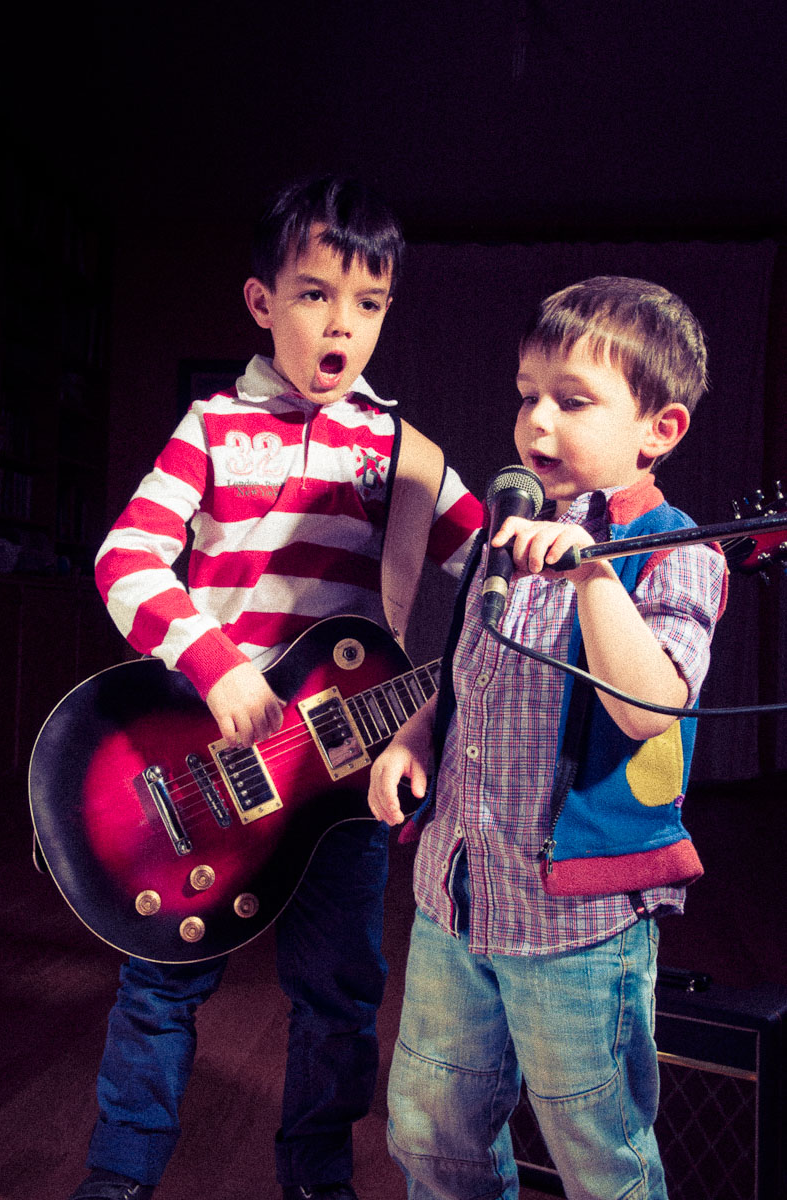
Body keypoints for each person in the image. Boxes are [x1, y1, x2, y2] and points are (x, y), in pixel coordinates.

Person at [68, 176, 483, 1200]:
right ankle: (118, 1180)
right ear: (261, 301)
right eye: (314, 294)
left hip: (338, 782)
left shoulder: (402, 454)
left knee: (338, 998)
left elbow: (489, 571)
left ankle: (315, 1180)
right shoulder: (210, 426)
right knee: (160, 993)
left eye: (368, 303)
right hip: (208, 765)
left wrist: (575, 559)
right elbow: (125, 558)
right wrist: (214, 666)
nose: (341, 324)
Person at [367, 276, 728, 1200]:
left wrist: (593, 578)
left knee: (596, 1150)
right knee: (429, 1128)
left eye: (572, 401)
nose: (536, 422)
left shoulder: (679, 551)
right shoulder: (509, 529)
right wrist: (416, 734)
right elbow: (468, 666)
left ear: (659, 429)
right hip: (457, 899)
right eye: (528, 394)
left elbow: (649, 708)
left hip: (575, 926)